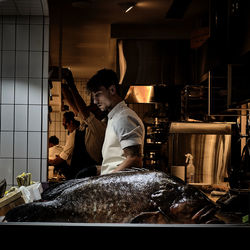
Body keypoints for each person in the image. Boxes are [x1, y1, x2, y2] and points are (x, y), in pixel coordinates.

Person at [48, 70, 106, 179]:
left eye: (93, 105)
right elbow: (76, 107)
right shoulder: (86, 124)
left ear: (100, 111)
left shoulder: (100, 127)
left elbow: (83, 109)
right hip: (79, 174)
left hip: (88, 176)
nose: (91, 105)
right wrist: (65, 88)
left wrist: (71, 84)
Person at [87, 68, 145, 175]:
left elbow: (135, 159)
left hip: (120, 187)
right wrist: (98, 170)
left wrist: (104, 180)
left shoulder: (123, 117)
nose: (95, 101)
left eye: (98, 94)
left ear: (112, 90)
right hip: (115, 184)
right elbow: (117, 161)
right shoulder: (115, 117)